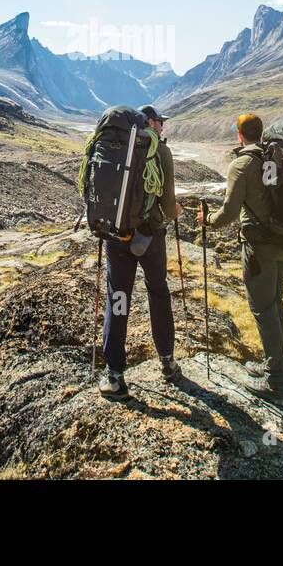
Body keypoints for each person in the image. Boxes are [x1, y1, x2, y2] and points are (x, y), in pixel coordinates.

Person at [196, 112, 283, 405]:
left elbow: (229, 213)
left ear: (239, 135)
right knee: (275, 304)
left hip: (259, 248)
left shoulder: (242, 165)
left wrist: (207, 220)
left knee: (262, 309)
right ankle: (275, 364)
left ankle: (277, 384)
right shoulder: (273, 159)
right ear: (261, 134)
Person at [99, 105, 182, 397]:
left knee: (118, 296)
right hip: (150, 237)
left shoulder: (112, 146)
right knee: (157, 291)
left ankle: (115, 375)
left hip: (117, 236)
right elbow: (169, 207)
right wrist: (175, 211)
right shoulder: (161, 151)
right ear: (149, 121)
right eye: (159, 122)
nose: (162, 127)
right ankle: (168, 363)